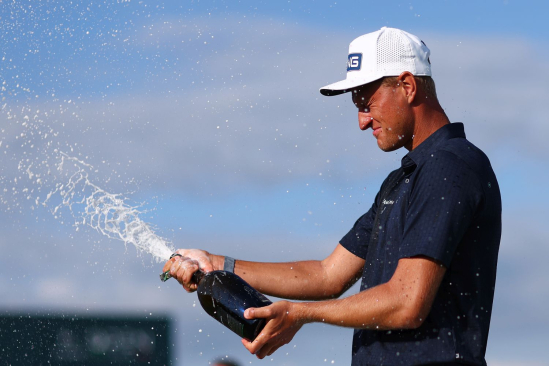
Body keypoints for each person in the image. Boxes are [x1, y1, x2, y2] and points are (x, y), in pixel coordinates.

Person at [163, 27, 501, 366]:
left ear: (408, 86)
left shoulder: (450, 166)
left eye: (366, 103)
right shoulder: (402, 181)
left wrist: (299, 314)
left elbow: (407, 301)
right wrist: (215, 262)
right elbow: (327, 275)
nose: (362, 121)